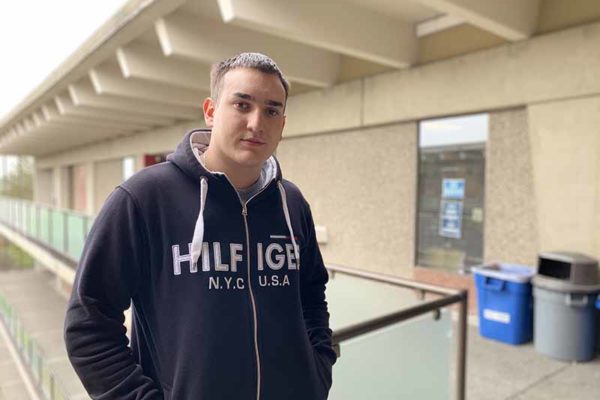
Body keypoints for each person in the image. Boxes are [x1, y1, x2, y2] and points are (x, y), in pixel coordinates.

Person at [64, 52, 336, 399]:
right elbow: (89, 322)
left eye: (271, 110)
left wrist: (316, 372)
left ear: (282, 124)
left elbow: (313, 294)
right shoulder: (144, 199)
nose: (257, 122)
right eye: (242, 105)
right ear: (210, 111)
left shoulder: (292, 203)